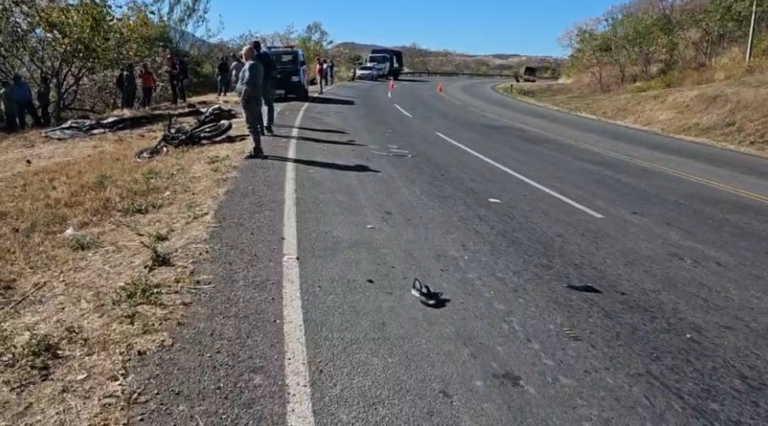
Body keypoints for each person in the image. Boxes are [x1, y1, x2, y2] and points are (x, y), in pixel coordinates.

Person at [236, 45, 264, 158]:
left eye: (243, 53)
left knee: (251, 125)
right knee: (253, 125)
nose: (242, 55)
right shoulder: (256, 65)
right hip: (254, 98)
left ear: (247, 54)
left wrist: (243, 98)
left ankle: (257, 149)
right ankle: (257, 148)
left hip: (250, 99)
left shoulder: (251, 65)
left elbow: (248, 84)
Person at [252, 40, 276, 135]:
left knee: (257, 105)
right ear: (260, 47)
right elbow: (273, 68)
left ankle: (260, 127)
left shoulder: (253, 58)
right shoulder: (266, 56)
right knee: (269, 104)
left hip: (255, 83)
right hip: (266, 83)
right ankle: (268, 124)